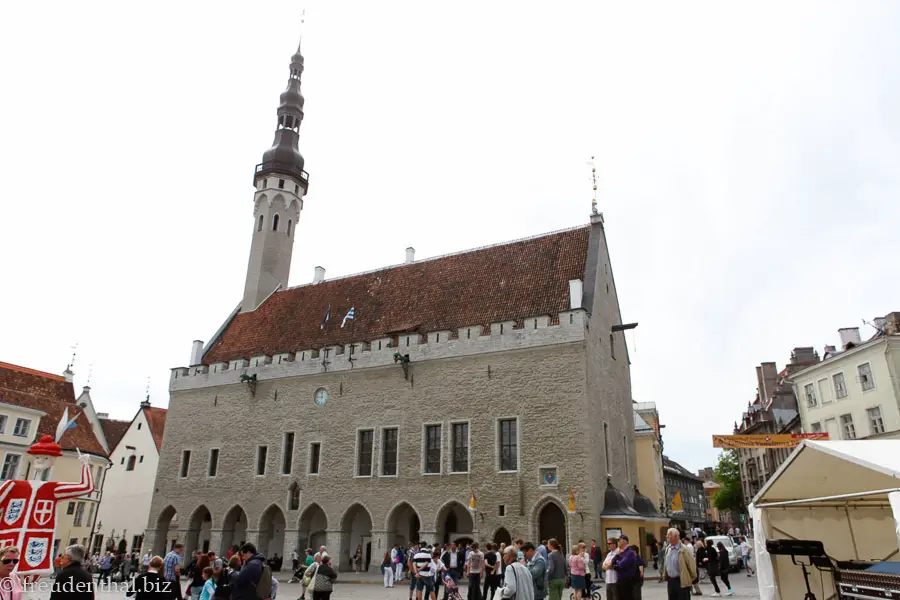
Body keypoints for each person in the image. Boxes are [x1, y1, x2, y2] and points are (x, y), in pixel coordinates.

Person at [661, 528, 697, 600]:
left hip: (682, 581)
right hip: (671, 581)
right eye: (667, 536)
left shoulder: (684, 549)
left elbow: (692, 566)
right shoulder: (668, 548)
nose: (667, 537)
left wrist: (689, 579)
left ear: (676, 536)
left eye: (669, 536)